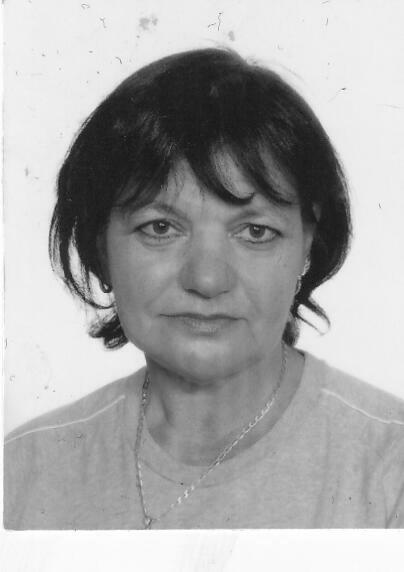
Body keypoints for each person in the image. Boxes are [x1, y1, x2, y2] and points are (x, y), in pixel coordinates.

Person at [4, 48, 404, 530]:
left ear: (307, 247)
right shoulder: (23, 473)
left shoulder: (390, 468)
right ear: (100, 246)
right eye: (160, 228)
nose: (207, 280)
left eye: (255, 231)